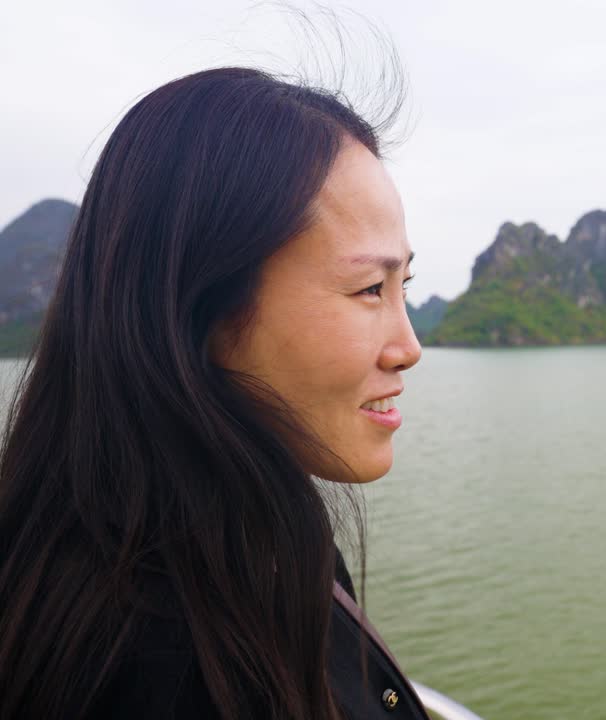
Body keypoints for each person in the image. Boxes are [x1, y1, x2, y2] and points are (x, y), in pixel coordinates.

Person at [0, 66, 429, 719]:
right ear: (202, 309)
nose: (409, 346)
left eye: (407, 289)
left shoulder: (256, 538)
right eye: (371, 289)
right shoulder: (165, 670)